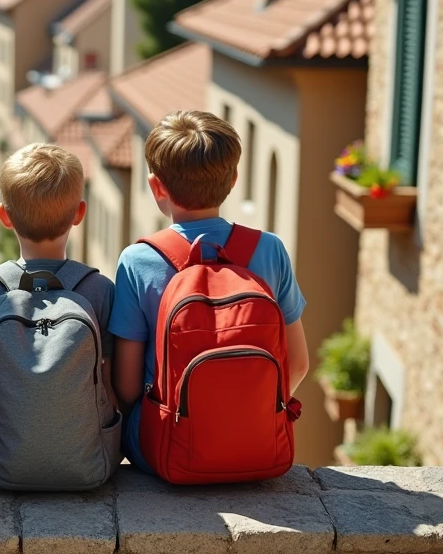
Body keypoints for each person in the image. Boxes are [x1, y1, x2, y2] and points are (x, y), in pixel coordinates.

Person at [109, 110, 309, 474]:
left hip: (170, 450)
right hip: (257, 444)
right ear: (233, 180)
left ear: (156, 187)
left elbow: (126, 386)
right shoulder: (270, 249)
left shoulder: (138, 261)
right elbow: (297, 363)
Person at [0, 142, 117, 416]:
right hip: (88, 455)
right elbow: (110, 381)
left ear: (4, 216)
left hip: (0, 455)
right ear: (79, 214)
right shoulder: (100, 290)